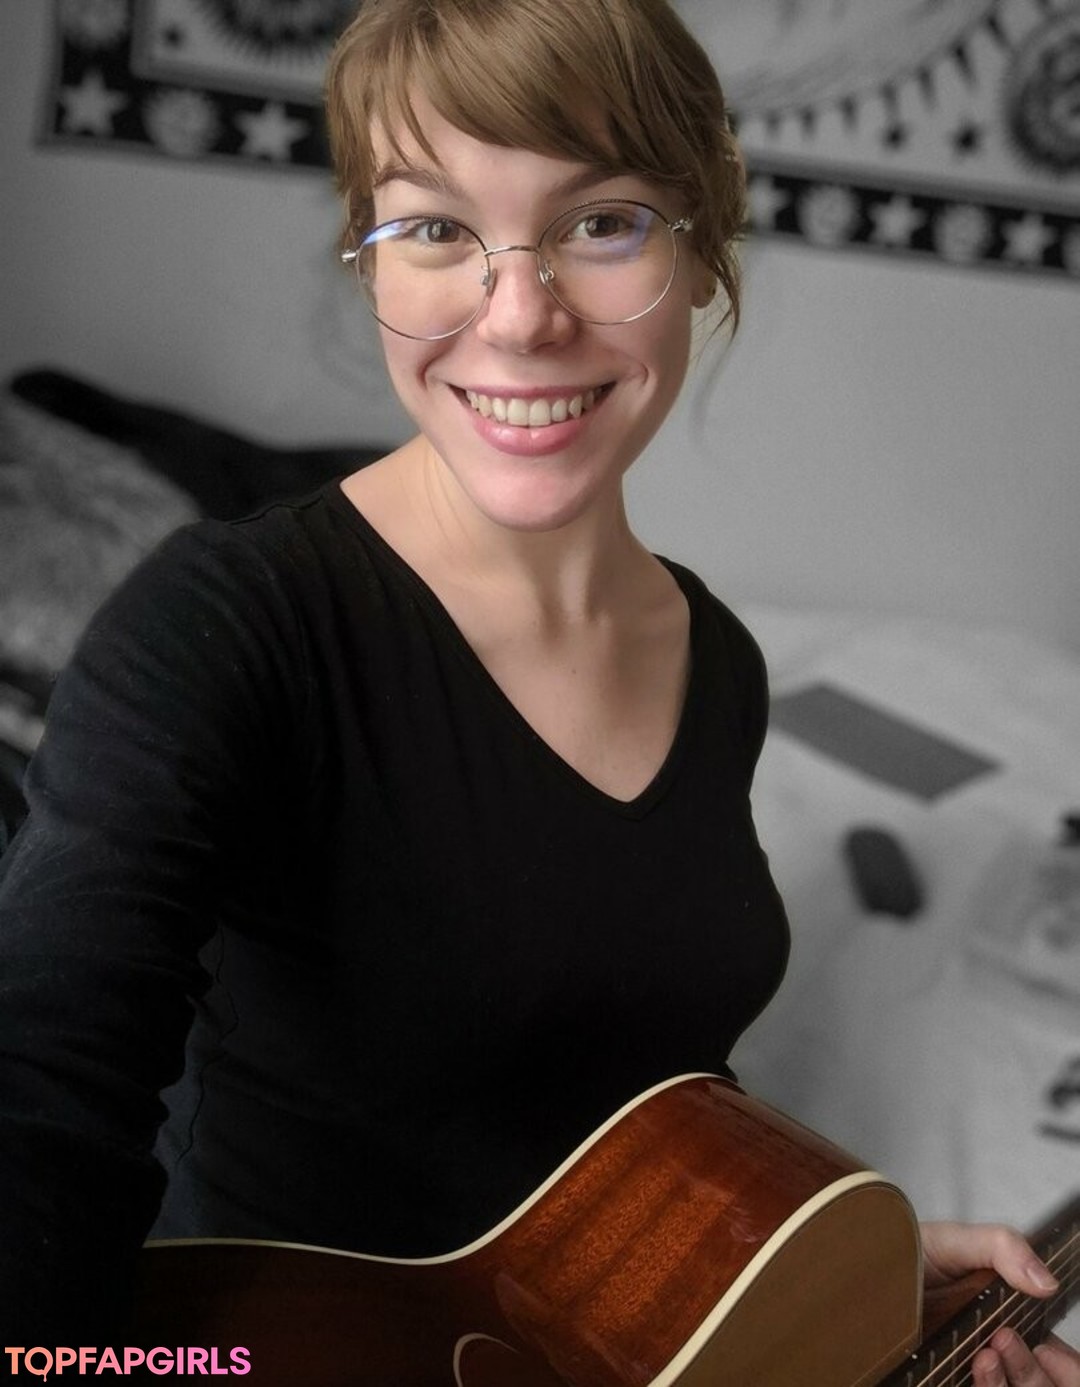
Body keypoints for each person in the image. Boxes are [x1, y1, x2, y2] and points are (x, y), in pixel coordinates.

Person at [0, 0, 1076, 1381]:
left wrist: (809, 1268)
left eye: (602, 222)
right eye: (435, 229)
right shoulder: (222, 626)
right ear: (369, 258)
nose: (519, 316)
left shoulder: (718, 660)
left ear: (701, 248)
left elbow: (623, 1090)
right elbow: (43, 1098)